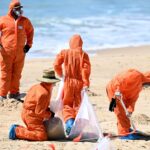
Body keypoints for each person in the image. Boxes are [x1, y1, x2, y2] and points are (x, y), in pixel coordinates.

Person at [54, 34, 91, 135]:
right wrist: (86, 83)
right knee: (78, 104)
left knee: (67, 104)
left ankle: (69, 123)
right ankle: (77, 126)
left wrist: (61, 74)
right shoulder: (84, 55)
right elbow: (85, 70)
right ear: (81, 44)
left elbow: (56, 64)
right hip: (79, 83)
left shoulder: (64, 52)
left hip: (68, 82)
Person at [9, 69, 60, 141]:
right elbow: (39, 112)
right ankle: (16, 131)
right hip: (31, 116)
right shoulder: (44, 93)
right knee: (41, 136)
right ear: (50, 83)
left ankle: (18, 128)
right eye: (54, 84)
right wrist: (50, 114)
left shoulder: (36, 86)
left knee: (35, 130)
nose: (54, 85)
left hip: (25, 113)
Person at [0, 0, 34, 100]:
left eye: (20, 8)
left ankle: (14, 93)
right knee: (5, 73)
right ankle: (2, 94)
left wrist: (29, 44)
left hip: (20, 52)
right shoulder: (3, 20)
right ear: (12, 10)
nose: (20, 10)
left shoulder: (25, 21)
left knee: (17, 73)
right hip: (6, 52)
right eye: (17, 8)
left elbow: (30, 32)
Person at [106, 69, 150, 140]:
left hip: (122, 95)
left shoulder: (139, 86)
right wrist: (118, 89)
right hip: (113, 91)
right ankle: (123, 134)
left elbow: (132, 100)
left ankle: (126, 129)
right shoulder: (136, 75)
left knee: (125, 113)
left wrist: (130, 110)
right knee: (119, 112)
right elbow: (120, 80)